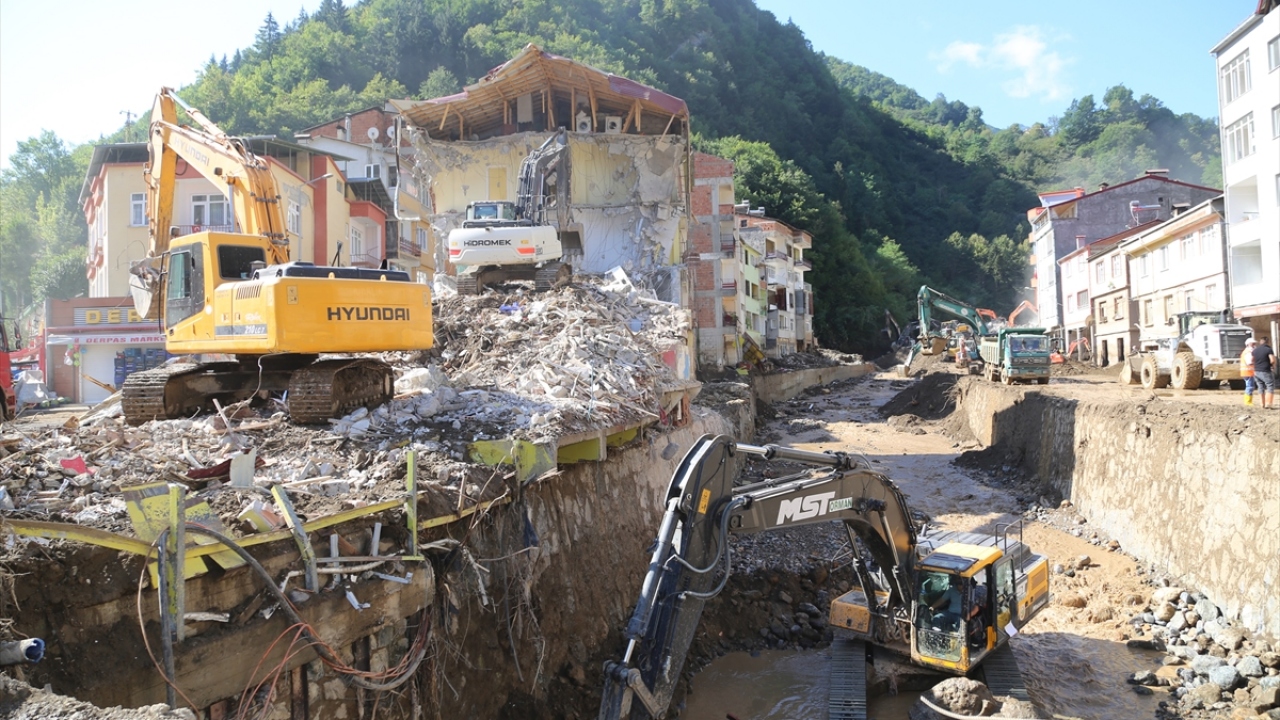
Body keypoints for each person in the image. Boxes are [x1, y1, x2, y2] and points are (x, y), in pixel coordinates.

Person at [1252, 337, 1277, 410]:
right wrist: (1273, 366)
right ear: (1267, 342)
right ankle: (1268, 403)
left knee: (1260, 387)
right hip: (1265, 370)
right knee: (1270, 385)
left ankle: (1262, 403)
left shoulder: (1255, 350)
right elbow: (1272, 360)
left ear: (1260, 342)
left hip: (1256, 371)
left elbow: (1252, 360)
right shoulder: (1268, 349)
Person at [1241, 337, 1257, 406]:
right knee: (1250, 386)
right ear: (1248, 344)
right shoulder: (1248, 352)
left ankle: (1248, 401)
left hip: (1247, 372)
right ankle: (1248, 402)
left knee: (1250, 386)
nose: (1254, 345)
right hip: (1248, 372)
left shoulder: (1247, 351)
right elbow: (1249, 362)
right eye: (1253, 344)